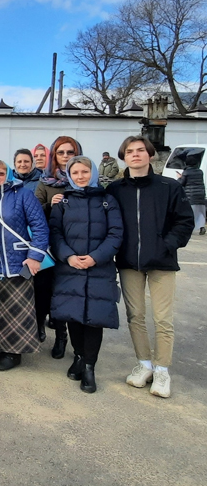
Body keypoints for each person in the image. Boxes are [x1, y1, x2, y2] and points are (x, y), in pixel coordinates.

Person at [107, 136, 193, 398]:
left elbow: (185, 221)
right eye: (130, 152)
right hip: (129, 262)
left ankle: (162, 370)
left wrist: (167, 244)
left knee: (163, 319)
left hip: (162, 263)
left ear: (151, 155)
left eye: (140, 151)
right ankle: (144, 364)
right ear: (124, 157)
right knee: (135, 316)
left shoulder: (169, 187)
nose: (135, 155)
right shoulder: (115, 189)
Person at [49, 156, 123, 393]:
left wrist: (96, 257)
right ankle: (79, 356)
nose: (80, 176)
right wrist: (69, 256)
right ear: (70, 175)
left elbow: (116, 233)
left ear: (92, 173)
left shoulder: (107, 200)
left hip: (98, 267)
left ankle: (90, 366)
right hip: (70, 266)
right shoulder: (63, 201)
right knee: (73, 316)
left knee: (94, 318)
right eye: (76, 172)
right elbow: (55, 233)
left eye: (84, 171)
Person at [0, 160, 48, 371]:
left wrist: (35, 256)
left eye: (0, 173)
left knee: (17, 311)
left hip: (18, 262)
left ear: (8, 174)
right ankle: (4, 348)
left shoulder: (23, 194)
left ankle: (14, 354)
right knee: (0, 310)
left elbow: (39, 226)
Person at [34, 136, 83, 359]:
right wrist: (49, 205)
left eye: (69, 152)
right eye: (61, 152)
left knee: (67, 294)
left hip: (76, 248)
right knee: (43, 291)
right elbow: (34, 213)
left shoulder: (83, 180)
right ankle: (46, 330)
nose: (65, 157)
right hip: (49, 248)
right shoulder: (45, 182)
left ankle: (64, 338)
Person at [177, 151, 206, 235]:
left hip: (191, 195)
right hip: (200, 195)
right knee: (201, 211)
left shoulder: (186, 172)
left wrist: (179, 177)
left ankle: (189, 228)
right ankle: (201, 227)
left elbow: (181, 183)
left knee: (190, 212)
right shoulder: (200, 171)